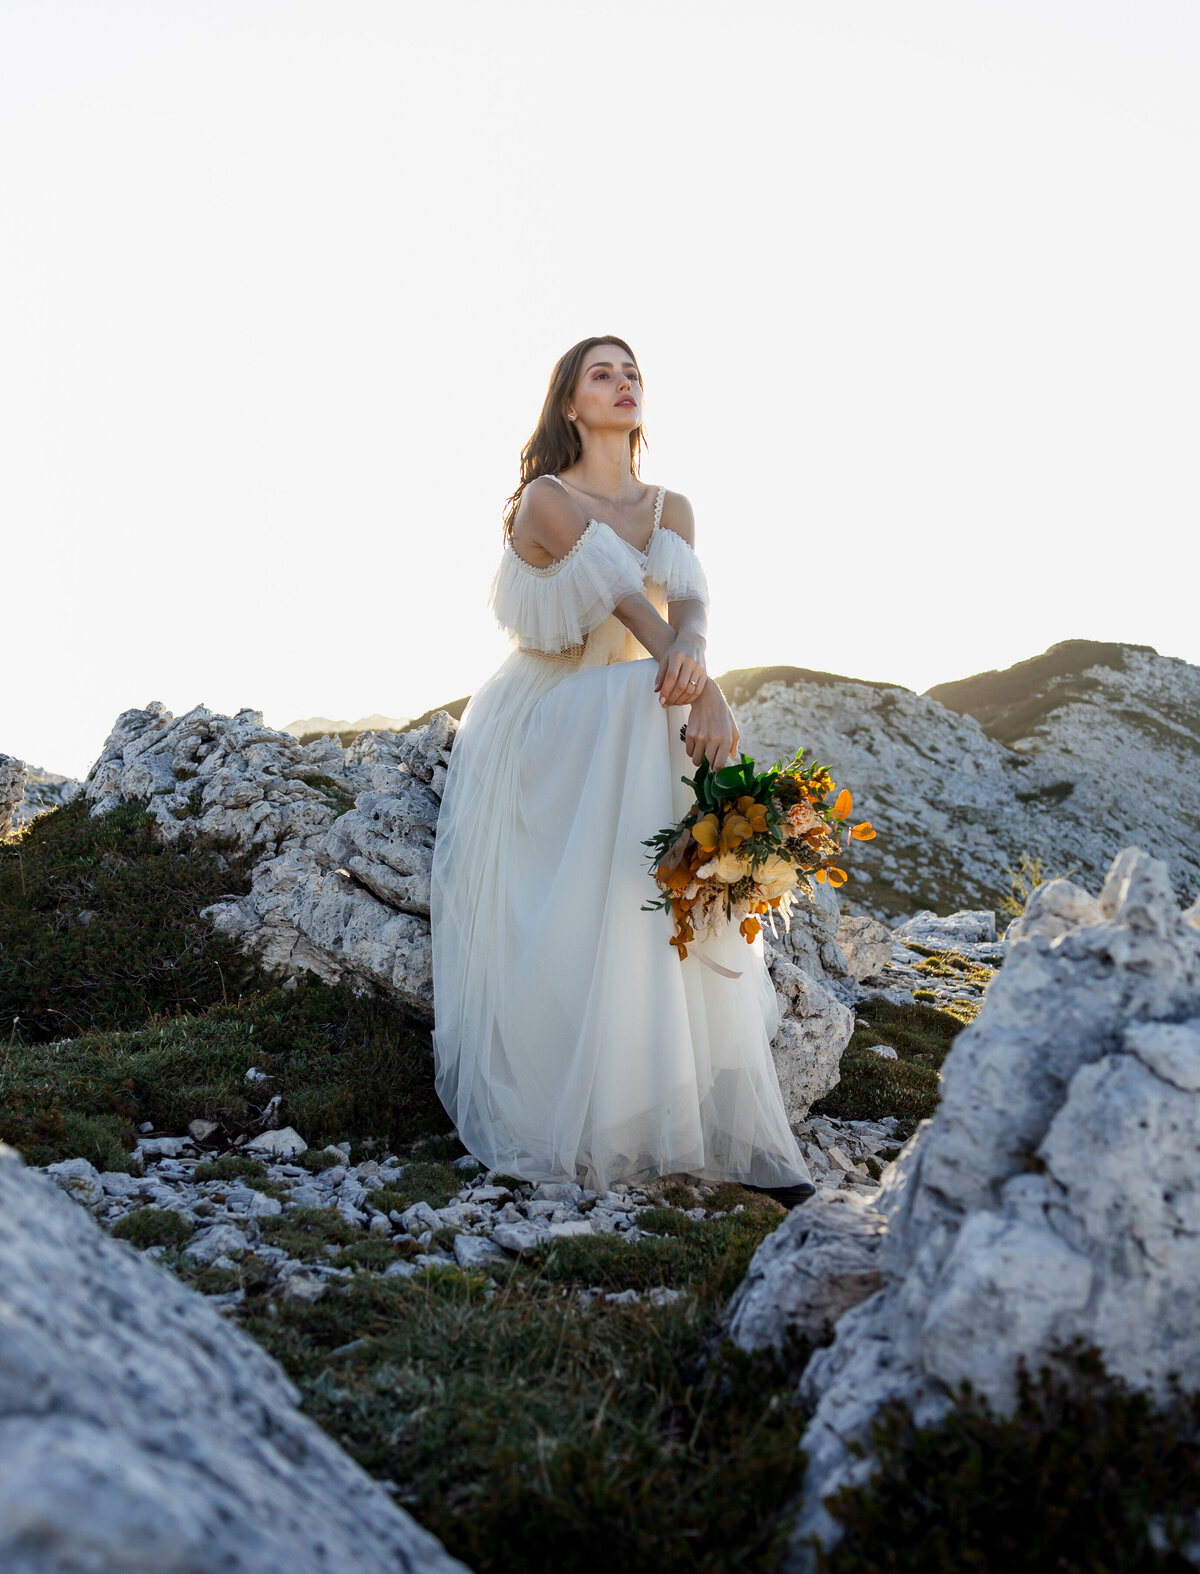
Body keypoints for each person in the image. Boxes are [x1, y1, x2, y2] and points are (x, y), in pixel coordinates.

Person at [429, 335, 814, 1205]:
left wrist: (703, 666)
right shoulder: (549, 499)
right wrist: (698, 690)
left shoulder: (671, 505)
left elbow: (694, 608)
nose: (623, 382)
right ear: (570, 402)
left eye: (633, 371)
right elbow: (631, 606)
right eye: (602, 373)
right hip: (544, 717)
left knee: (659, 711)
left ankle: (722, 1125)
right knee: (656, 693)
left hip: (634, 714)